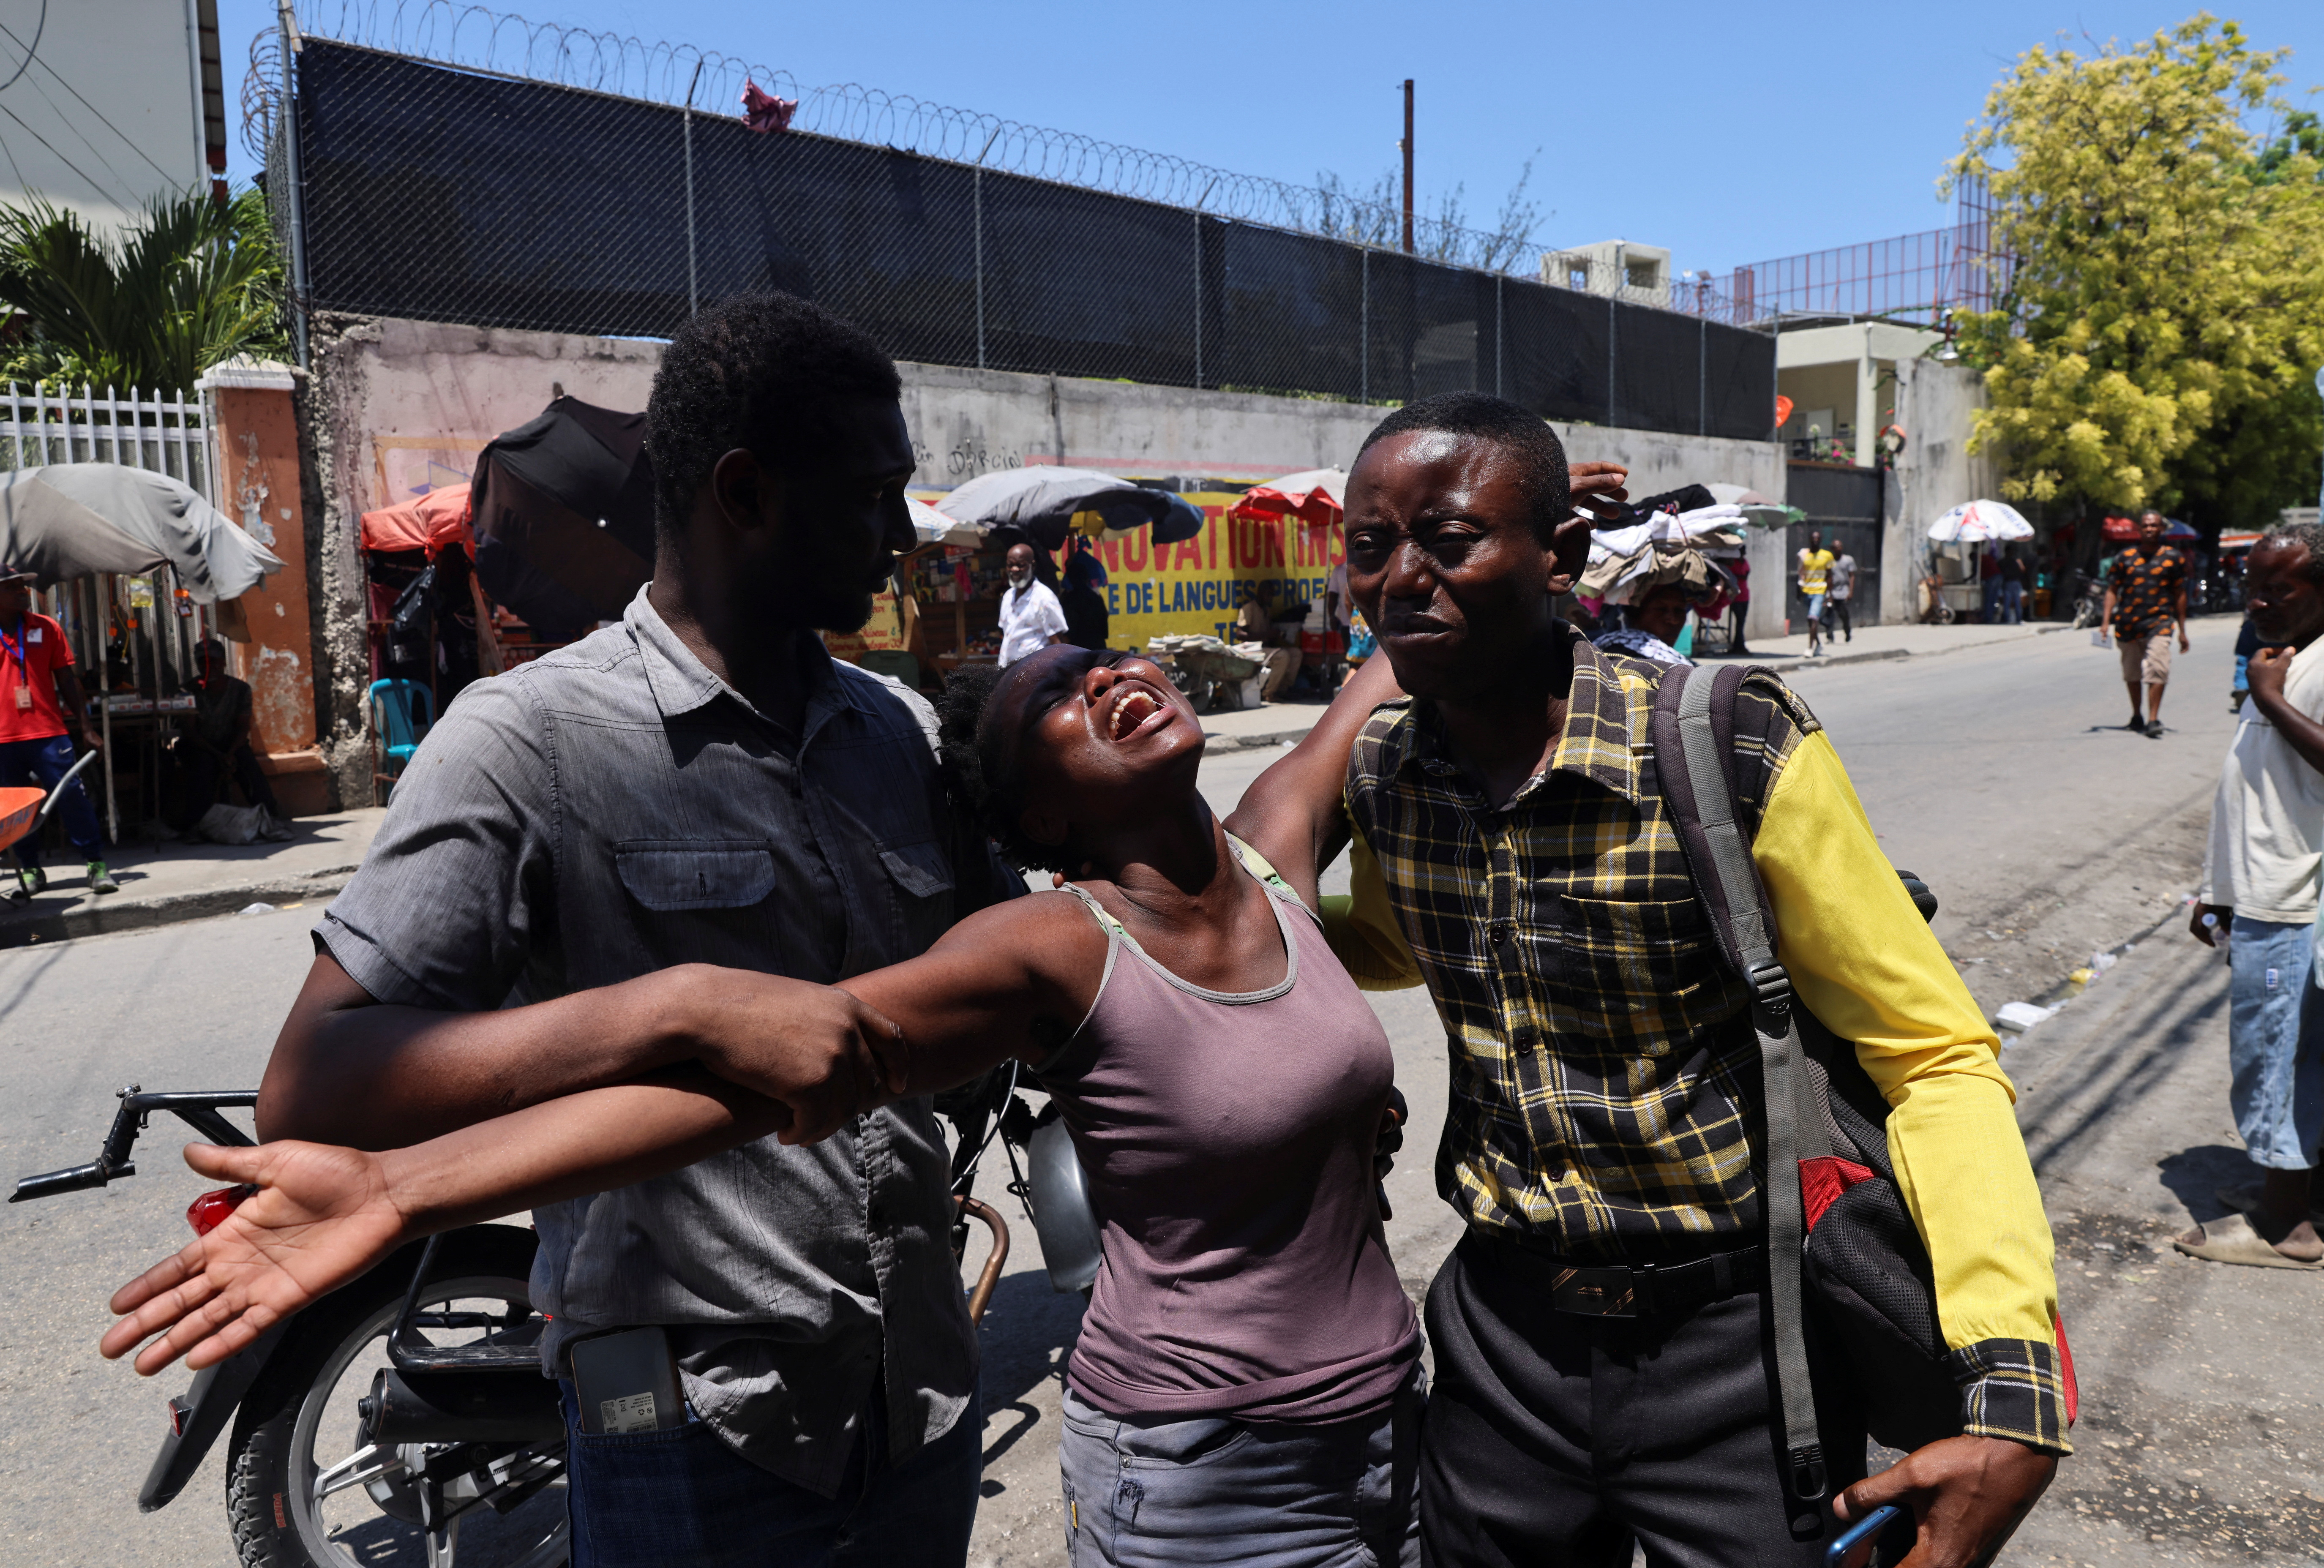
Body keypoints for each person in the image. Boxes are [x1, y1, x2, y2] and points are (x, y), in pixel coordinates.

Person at [105, 642, 1430, 1568]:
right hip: (1211, 1474)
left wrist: (1592, 542)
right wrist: (400, 1187)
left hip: (1391, 1425)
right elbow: (745, 1089)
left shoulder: (1271, 855)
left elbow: (1385, 666)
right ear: (1037, 815)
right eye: (1064, 706)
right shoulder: (1049, 945)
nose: (1111, 683)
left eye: (1107, 666)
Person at [197, 294, 1027, 1568]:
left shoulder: (896, 734)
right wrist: (677, 1004)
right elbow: (318, 1084)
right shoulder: (526, 743)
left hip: (915, 1398)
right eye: (871, 494)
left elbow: (1003, 994)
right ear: (744, 494)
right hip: (692, 1441)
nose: (900, 533)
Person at [1230, 393, 2067, 1567]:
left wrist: (2010, 1383)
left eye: (1450, 538)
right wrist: (1166, 899)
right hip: (1501, 1339)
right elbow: (1385, 939)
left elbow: (1929, 1051)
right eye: (1371, 546)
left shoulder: (1723, 738)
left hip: (1736, 1345)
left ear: (1561, 557)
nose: (1401, 577)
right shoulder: (1386, 770)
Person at [2183, 524, 2324, 1267]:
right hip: (2261, 892)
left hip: (2293, 904)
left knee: (2276, 1059)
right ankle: (2294, 1191)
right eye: (2252, 585)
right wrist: (2217, 892)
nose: (2260, 600)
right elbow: (2261, 790)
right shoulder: (2283, 658)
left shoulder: (2305, 670)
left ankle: (2287, 1226)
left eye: (2281, 588)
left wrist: (2269, 699)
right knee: (2292, 1057)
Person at [0, 563, 113, 897]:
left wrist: (87, 728)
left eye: (23, 586)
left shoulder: (47, 628)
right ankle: (31, 870)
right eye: (12, 587)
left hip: (48, 734)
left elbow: (68, 680)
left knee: (71, 796)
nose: (23, 592)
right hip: (4, 740)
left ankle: (96, 863)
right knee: (15, 813)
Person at [170, 638, 290, 834]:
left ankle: (269, 815)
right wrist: (219, 755)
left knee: (247, 764)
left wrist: (230, 752)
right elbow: (190, 732)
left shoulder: (241, 690)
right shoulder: (187, 691)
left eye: (214, 661)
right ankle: (195, 824)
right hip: (200, 746)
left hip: (231, 744)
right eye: (203, 662)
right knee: (203, 765)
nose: (210, 666)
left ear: (224, 662)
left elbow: (243, 727)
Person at [2100, 508, 2190, 737]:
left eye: (2154, 526)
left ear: (2161, 529)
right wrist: (2105, 622)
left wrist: (2182, 630)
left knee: (2158, 669)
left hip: (2159, 622)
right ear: (2139, 529)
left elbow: (2180, 594)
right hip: (2127, 624)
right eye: (2146, 526)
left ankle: (2153, 719)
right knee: (2132, 674)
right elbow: (2112, 590)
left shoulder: (2173, 558)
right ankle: (2137, 715)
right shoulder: (2124, 558)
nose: (2150, 529)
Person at [998, 540, 1069, 666]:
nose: (1014, 570)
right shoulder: (1008, 597)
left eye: (1021, 565)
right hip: (1007, 674)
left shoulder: (1045, 598)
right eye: (1010, 565)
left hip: (1033, 675)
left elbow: (1058, 644)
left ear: (1033, 566)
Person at [1591, 582, 1692, 667]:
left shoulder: (1672, 659)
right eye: (1661, 609)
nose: (1674, 620)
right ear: (1634, 613)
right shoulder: (1624, 654)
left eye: (1680, 610)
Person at [1233, 587, 1300, 702]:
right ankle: (1268, 693)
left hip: (1266, 648)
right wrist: (1266, 635)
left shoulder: (1267, 611)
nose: (1270, 599)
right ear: (1260, 594)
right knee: (1283, 656)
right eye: (1268, 595)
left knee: (1296, 654)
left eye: (1271, 596)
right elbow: (1240, 635)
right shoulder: (1249, 608)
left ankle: (1282, 689)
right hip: (1251, 649)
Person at [1059, 539, 1110, 652]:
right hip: (1099, 648)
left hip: (1078, 651)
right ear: (1087, 578)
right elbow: (1105, 623)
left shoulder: (1068, 600)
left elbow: (1068, 632)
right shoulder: (1097, 597)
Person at [1796, 529, 1833, 655]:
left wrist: (1830, 595)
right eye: (1813, 539)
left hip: (1820, 591)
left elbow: (1830, 576)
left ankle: (1810, 648)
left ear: (1821, 540)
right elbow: (1801, 574)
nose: (1815, 541)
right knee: (1812, 621)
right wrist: (1800, 591)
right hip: (1807, 591)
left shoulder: (1827, 555)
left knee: (1813, 618)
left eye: (1818, 539)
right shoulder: (1805, 555)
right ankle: (1818, 643)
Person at [1323, 554, 1354, 691]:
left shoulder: (1370, 566)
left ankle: (1348, 687)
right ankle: (1350, 688)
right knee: (1352, 657)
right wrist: (1332, 617)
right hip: (1347, 623)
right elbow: (1333, 596)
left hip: (1367, 625)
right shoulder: (1340, 570)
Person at [1825, 546, 1857, 642]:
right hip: (1832, 591)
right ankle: (1830, 636)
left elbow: (1852, 576)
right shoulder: (1829, 561)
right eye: (1835, 548)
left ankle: (1847, 632)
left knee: (1844, 614)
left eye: (1839, 547)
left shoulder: (1848, 560)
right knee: (1830, 615)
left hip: (1843, 592)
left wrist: (1851, 591)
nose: (1838, 549)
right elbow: (1827, 576)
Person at [1726, 553, 1752, 654]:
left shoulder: (1744, 562)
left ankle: (1738, 646)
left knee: (1741, 623)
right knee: (1740, 622)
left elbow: (1746, 574)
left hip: (1745, 596)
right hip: (1736, 598)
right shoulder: (1733, 563)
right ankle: (1739, 646)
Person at [1999, 548, 2029, 627]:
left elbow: (2000, 571)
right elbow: (2023, 570)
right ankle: (2019, 619)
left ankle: (2006, 619)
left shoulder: (2002, 561)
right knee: (2017, 602)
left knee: (2007, 602)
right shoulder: (2017, 561)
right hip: (2016, 582)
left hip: (2008, 583)